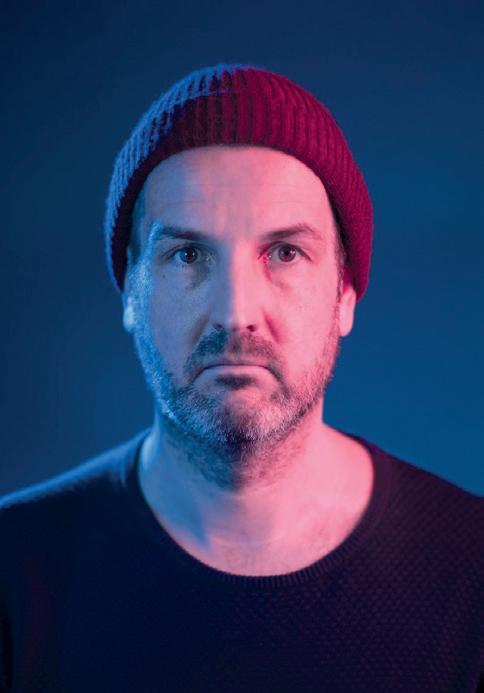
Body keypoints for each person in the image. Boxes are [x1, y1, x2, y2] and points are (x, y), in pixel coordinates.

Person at [0, 63, 482, 692]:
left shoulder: (473, 573)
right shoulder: (14, 574)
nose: (235, 312)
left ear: (344, 294)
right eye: (188, 255)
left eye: (285, 252)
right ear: (130, 292)